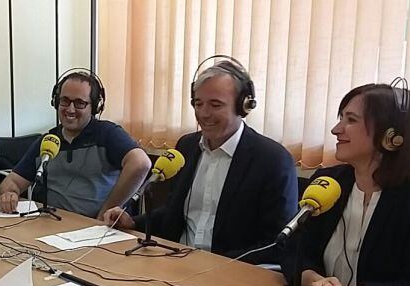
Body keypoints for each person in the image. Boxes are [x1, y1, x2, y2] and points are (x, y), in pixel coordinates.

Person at [103, 57, 297, 264]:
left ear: (243, 106)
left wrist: (213, 265)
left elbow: (276, 243)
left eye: (215, 105)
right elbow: (172, 213)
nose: (204, 114)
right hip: (176, 262)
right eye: (198, 103)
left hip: (233, 273)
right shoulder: (187, 147)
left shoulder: (273, 160)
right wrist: (133, 222)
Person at [281, 81, 410, 286]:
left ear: (392, 136)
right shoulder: (328, 182)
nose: (336, 129)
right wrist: (317, 284)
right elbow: (293, 252)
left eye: (351, 120)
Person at [0, 69, 151, 219]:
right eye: (65, 101)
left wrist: (105, 212)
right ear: (56, 102)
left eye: (79, 103)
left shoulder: (108, 134)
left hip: (95, 230)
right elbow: (11, 182)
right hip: (53, 226)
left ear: (95, 107)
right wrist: (9, 194)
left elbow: (141, 163)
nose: (70, 109)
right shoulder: (49, 141)